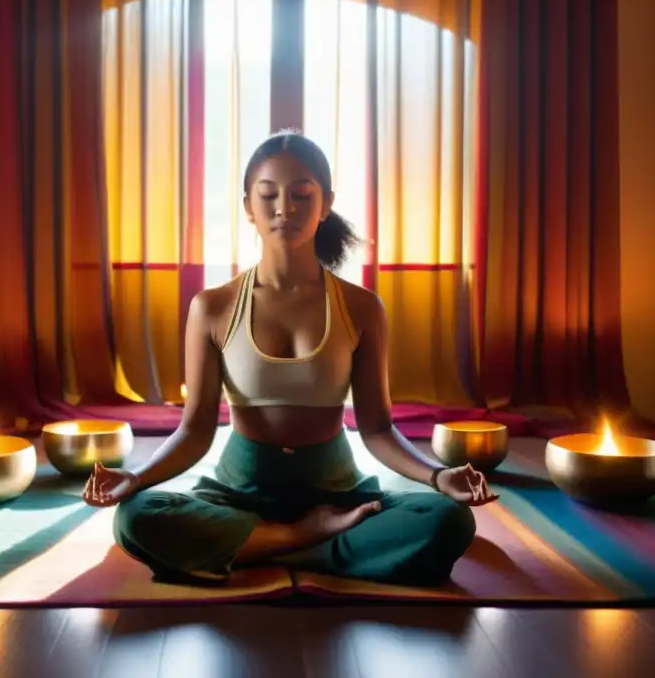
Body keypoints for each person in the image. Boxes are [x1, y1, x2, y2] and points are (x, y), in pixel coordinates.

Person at [82, 131, 498, 587]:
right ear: (248, 206)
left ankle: (260, 547)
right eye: (268, 194)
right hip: (239, 494)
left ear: (326, 204)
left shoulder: (361, 308)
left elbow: (377, 428)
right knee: (136, 516)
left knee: (448, 520)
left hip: (339, 494)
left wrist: (439, 478)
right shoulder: (213, 307)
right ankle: (309, 541)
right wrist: (135, 479)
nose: (285, 208)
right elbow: (195, 429)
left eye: (302, 195)